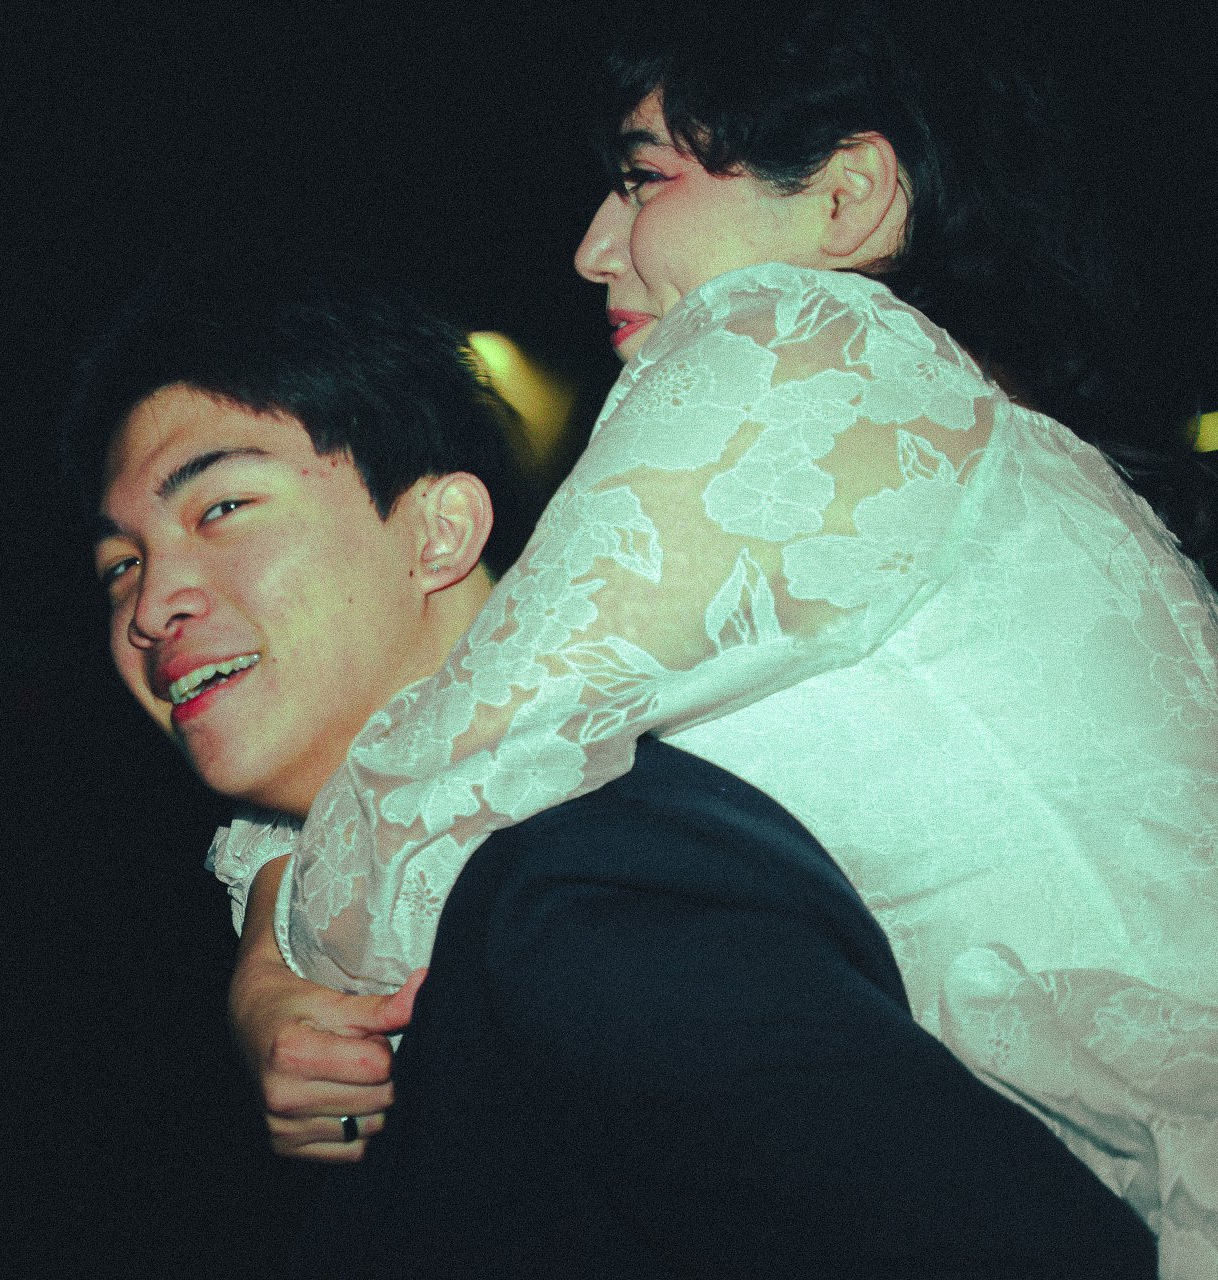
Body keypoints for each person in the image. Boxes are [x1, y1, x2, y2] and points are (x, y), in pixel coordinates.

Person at [216, 2, 1218, 1272]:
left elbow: (422, 838)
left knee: (553, 917)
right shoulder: (938, 428)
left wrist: (264, 951)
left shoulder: (806, 349)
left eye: (644, 180)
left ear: (849, 196)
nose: (592, 248)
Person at [61, 256, 1154, 1274]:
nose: (155, 605)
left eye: (224, 507)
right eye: (120, 566)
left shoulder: (574, 883)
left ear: (440, 530)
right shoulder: (398, 914)